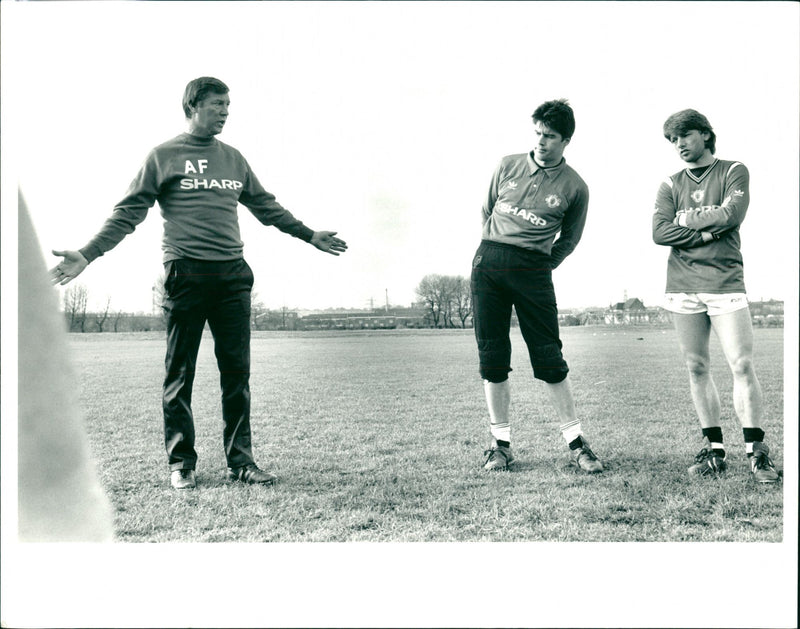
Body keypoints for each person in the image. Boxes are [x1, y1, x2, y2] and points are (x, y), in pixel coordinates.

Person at [50, 77, 348, 490]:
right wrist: (88, 253)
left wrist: (308, 233)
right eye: (217, 104)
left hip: (232, 275)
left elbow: (266, 206)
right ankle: (181, 463)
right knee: (179, 373)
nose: (225, 111)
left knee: (237, 374)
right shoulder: (163, 156)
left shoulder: (234, 158)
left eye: (228, 105)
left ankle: (241, 462)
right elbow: (127, 214)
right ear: (193, 107)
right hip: (185, 274)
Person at [471, 99, 603, 473]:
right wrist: (496, 248)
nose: (541, 142)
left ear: (566, 140)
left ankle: (577, 445)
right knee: (492, 358)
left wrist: (541, 262)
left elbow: (570, 238)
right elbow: (486, 211)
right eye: (538, 134)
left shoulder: (576, 186)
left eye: (550, 136)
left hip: (533, 272)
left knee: (549, 359)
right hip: (489, 265)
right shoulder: (508, 164)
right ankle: (499, 446)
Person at [652, 109, 779, 483]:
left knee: (741, 364)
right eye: (673, 140)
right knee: (697, 367)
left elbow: (732, 213)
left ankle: (757, 452)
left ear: (705, 135)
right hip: (683, 285)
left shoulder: (733, 170)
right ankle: (714, 451)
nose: (679, 145)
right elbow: (659, 232)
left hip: (725, 282)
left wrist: (685, 221)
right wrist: (707, 232)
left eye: (685, 136)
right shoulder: (670, 184)